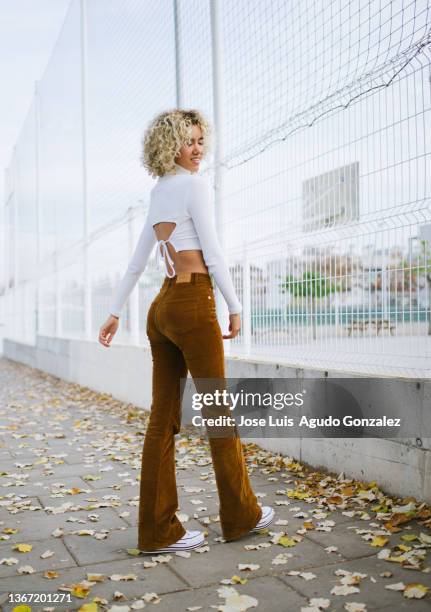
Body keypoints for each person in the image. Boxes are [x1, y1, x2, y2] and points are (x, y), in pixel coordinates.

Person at [98, 109, 274, 554]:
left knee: (163, 419)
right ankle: (240, 515)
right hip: (194, 302)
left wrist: (115, 311)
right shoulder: (194, 186)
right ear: (169, 145)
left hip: (161, 309)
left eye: (201, 140)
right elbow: (212, 253)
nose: (198, 149)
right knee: (217, 411)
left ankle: (157, 531)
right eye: (188, 141)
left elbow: (139, 260)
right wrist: (235, 305)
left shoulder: (158, 193)